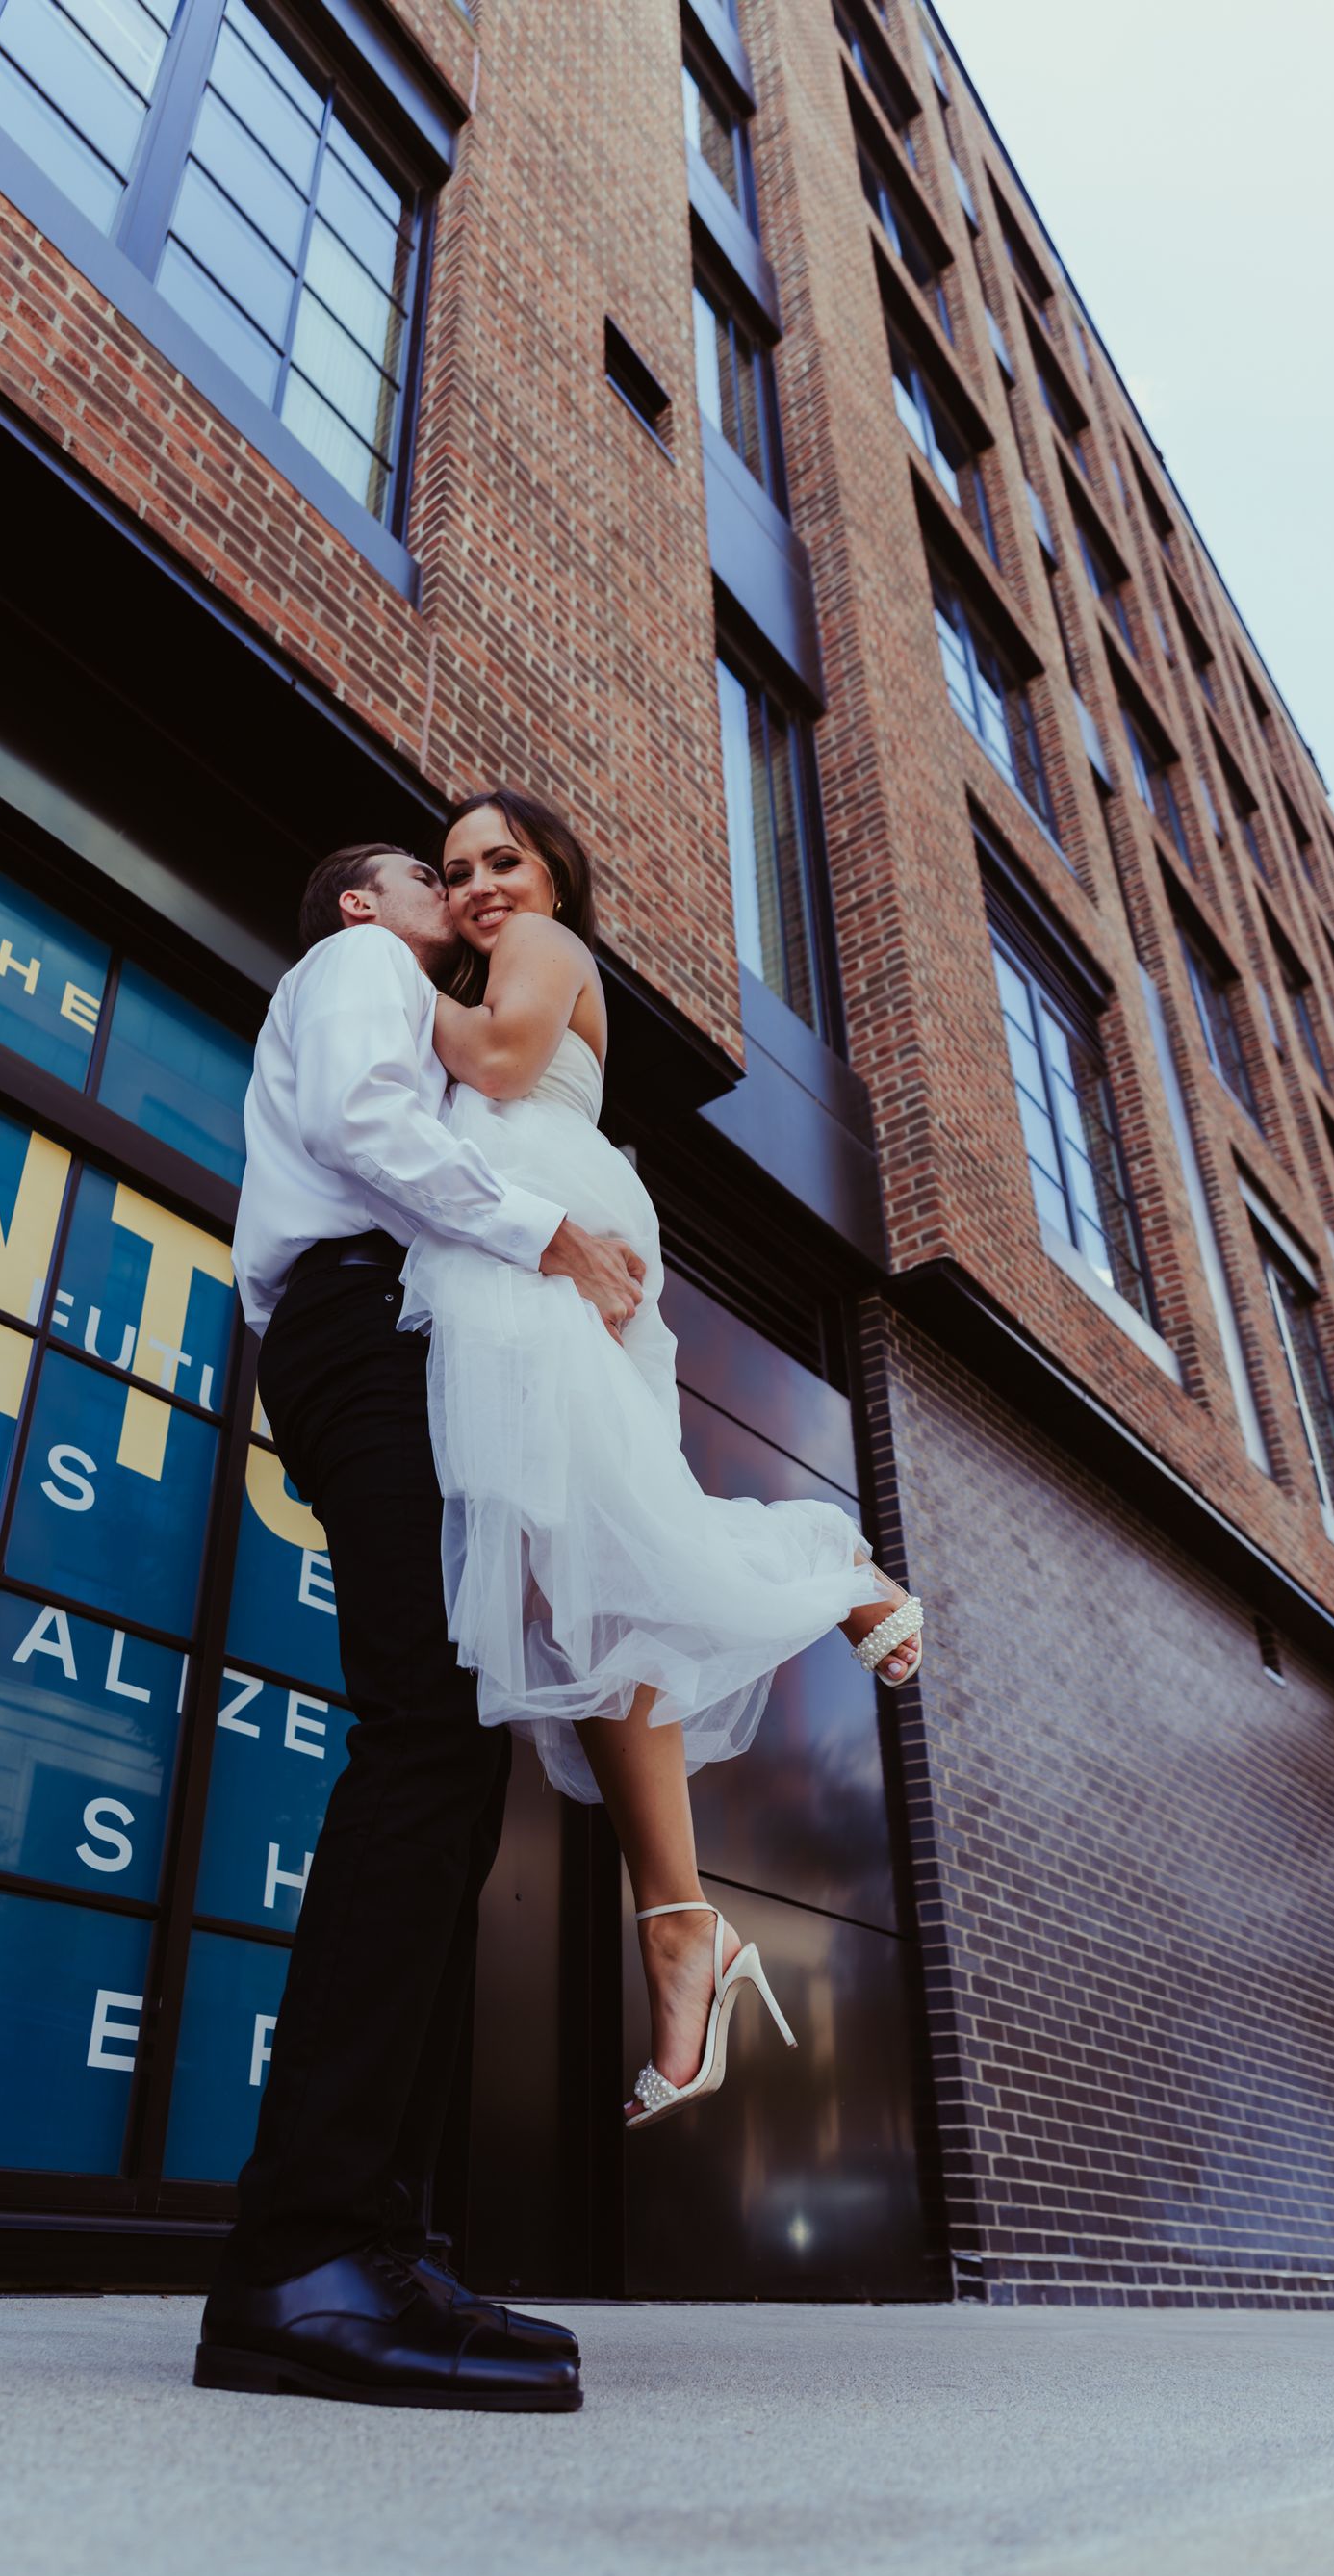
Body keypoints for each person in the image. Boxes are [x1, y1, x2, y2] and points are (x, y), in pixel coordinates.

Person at [196, 843, 642, 2413]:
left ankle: (375, 2240)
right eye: (422, 875)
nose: (453, 899)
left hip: (380, 1328)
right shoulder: (356, 970)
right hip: (358, 1321)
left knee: (450, 1762)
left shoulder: (407, 977)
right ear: (355, 902)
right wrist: (547, 1234)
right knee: (422, 1743)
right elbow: (364, 1123)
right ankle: (301, 2259)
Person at [403, 790, 924, 2131]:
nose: (475, 887)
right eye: (454, 872)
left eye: (500, 861)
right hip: (520, 1252)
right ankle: (682, 1929)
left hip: (549, 1254)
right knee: (585, 1595)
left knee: (598, 1559)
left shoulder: (538, 951)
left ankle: (835, 1570)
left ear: (554, 876)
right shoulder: (501, 951)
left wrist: (384, 982)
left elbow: (505, 1064)